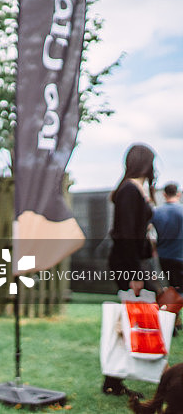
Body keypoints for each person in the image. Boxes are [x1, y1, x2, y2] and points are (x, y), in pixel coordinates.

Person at [103, 142, 157, 397]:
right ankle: (114, 379)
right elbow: (125, 234)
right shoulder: (129, 191)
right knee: (128, 320)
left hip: (131, 262)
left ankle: (113, 379)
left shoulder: (134, 189)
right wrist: (135, 276)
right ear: (145, 163)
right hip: (126, 264)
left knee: (127, 320)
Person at [152, 182, 183, 292]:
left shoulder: (156, 212)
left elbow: (149, 233)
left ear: (164, 194)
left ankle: (172, 308)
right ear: (178, 194)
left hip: (164, 255)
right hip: (180, 255)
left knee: (173, 286)